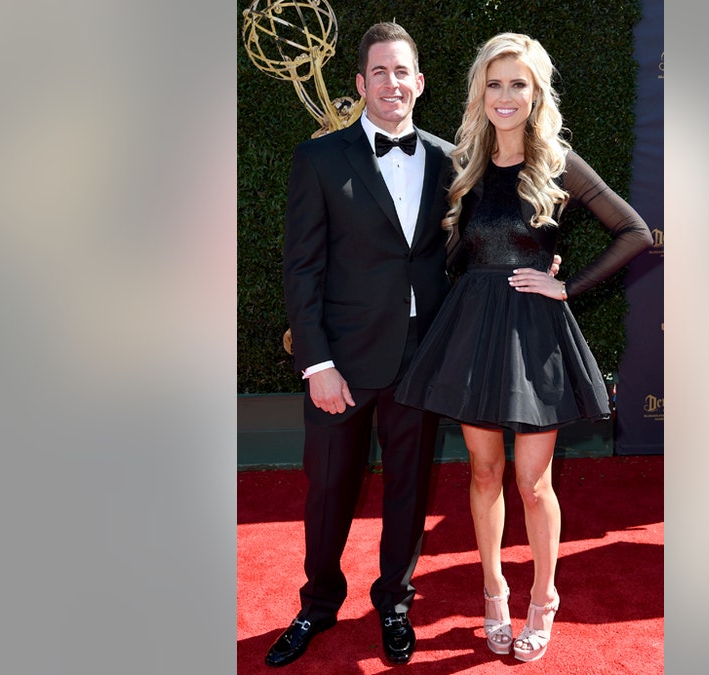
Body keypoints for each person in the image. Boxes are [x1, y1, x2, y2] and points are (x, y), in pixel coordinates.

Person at [267, 22, 560, 668]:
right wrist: (316, 360)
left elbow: (481, 243)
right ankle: (317, 605)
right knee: (329, 491)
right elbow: (301, 268)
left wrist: (548, 259)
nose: (391, 83)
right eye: (379, 72)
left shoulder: (452, 161)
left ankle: (394, 604)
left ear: (420, 83)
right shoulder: (318, 160)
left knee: (409, 491)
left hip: (422, 358)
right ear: (360, 83)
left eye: (403, 72)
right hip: (340, 363)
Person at [394, 33, 653, 663]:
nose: (505, 96)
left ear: (536, 95)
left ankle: (544, 597)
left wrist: (565, 285)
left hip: (535, 335)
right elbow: (447, 255)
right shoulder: (466, 167)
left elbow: (635, 231)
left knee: (533, 483)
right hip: (476, 332)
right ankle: (493, 590)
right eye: (495, 83)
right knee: (484, 472)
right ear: (479, 92)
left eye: (519, 84)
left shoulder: (557, 161)